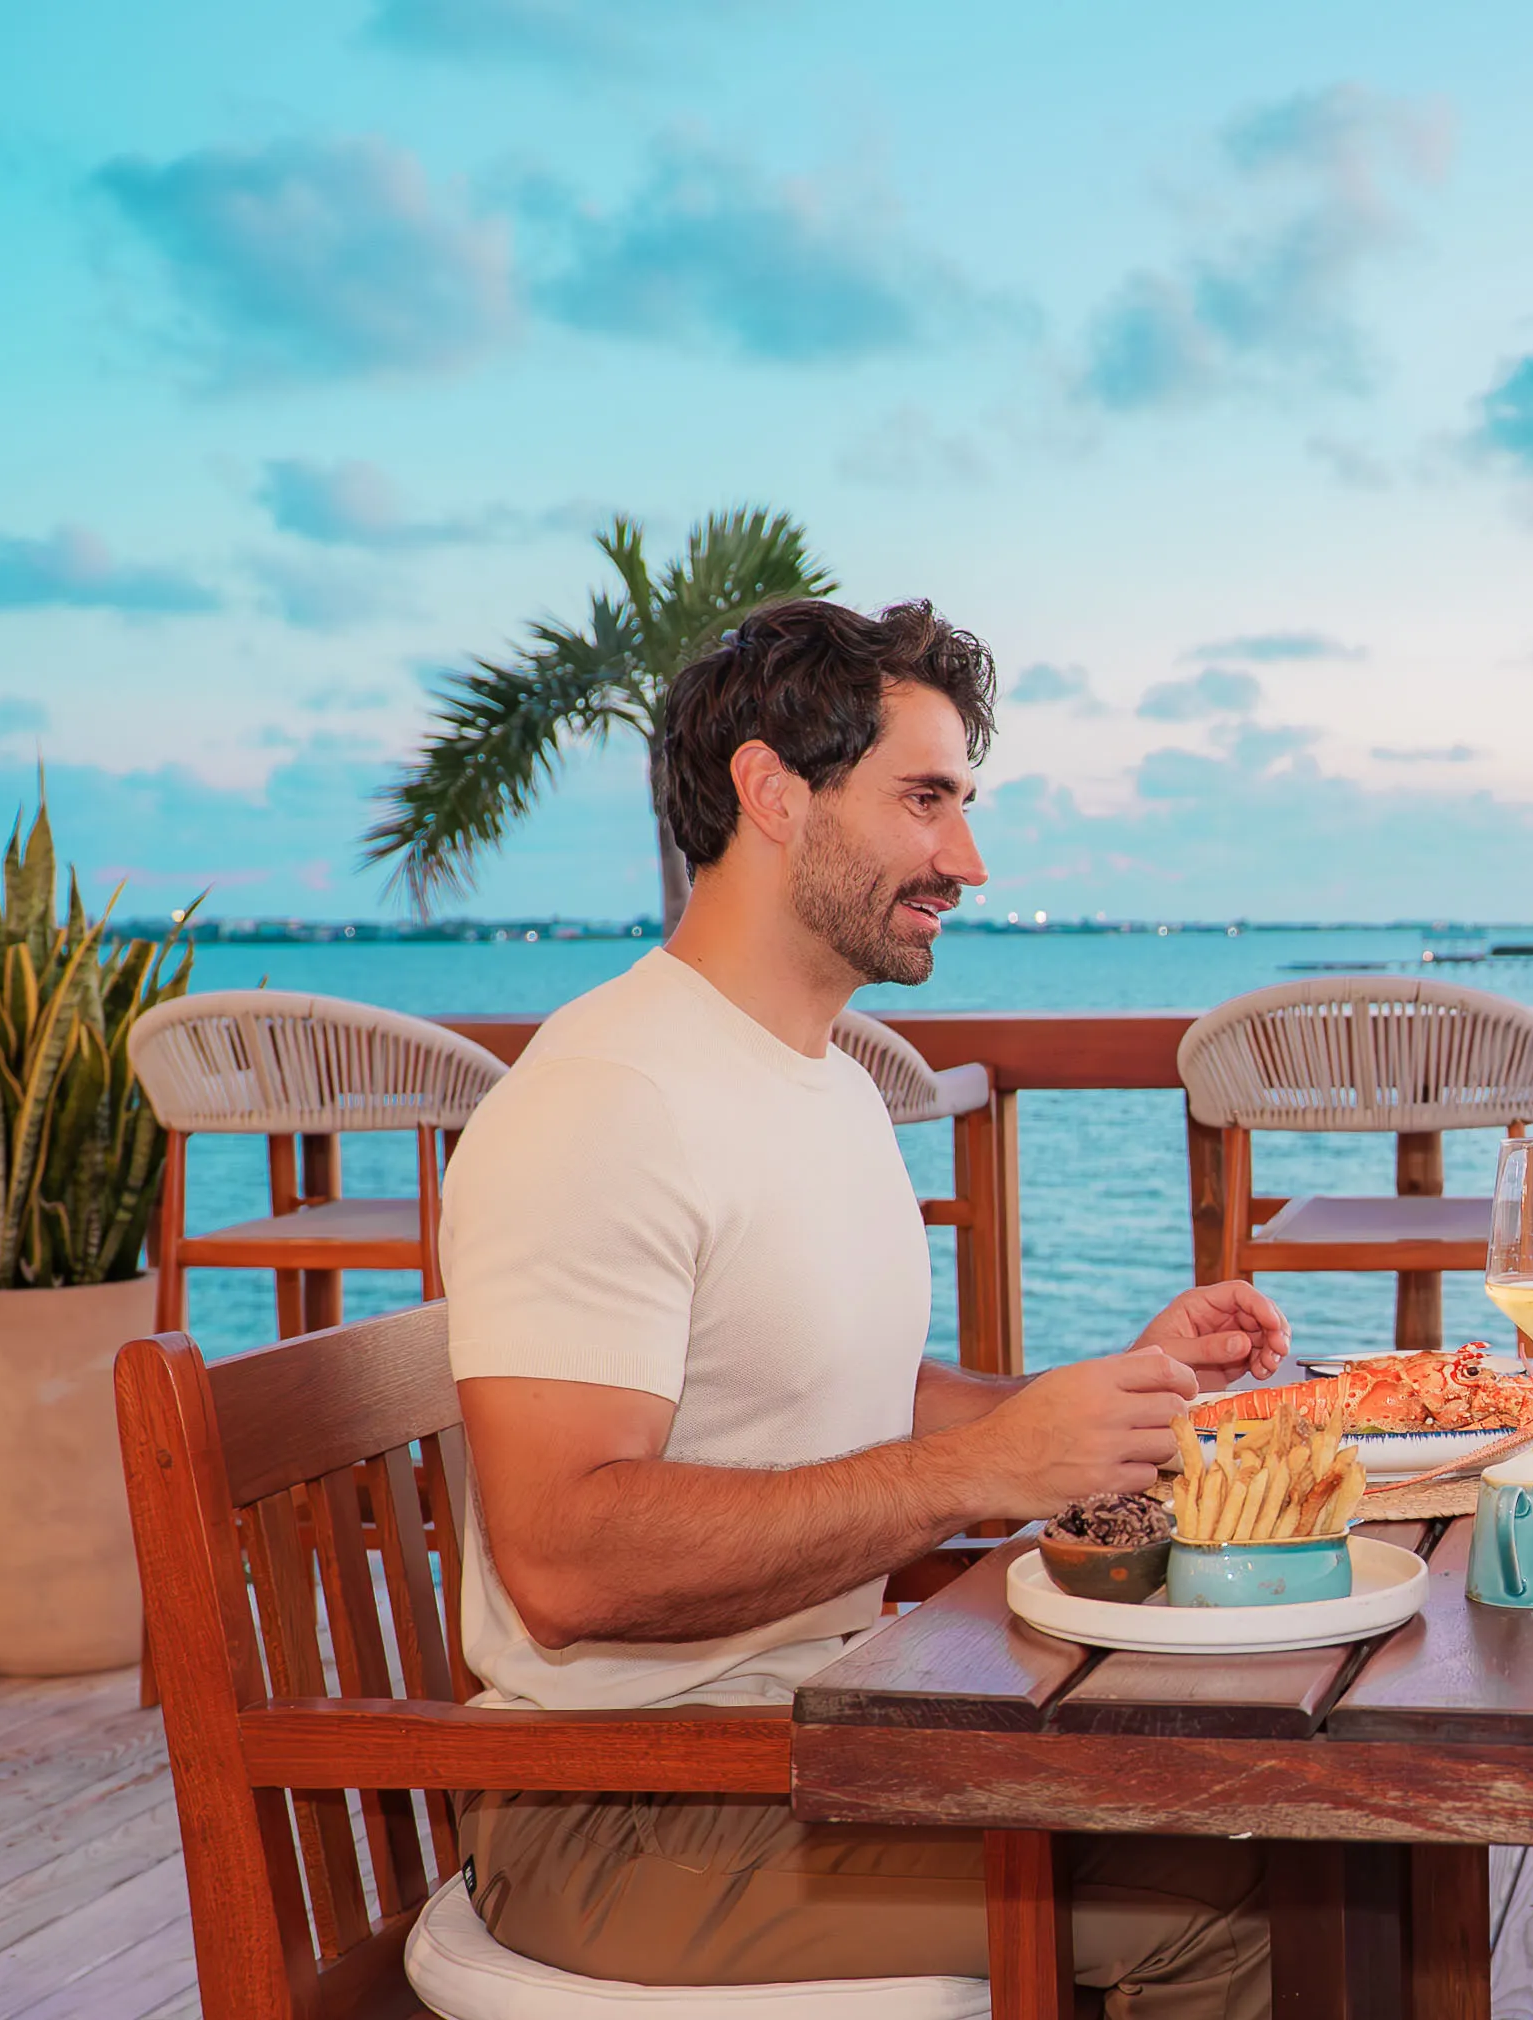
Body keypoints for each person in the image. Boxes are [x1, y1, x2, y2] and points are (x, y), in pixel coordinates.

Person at [444, 597, 1278, 2015]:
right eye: (926, 801)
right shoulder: (603, 1102)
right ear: (772, 792)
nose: (967, 858)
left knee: (1297, 1826)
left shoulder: (821, 1077)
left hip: (821, 1733)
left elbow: (850, 1403)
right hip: (624, 1810)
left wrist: (1096, 1405)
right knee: (1217, 1904)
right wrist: (980, 1472)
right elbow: (563, 1562)